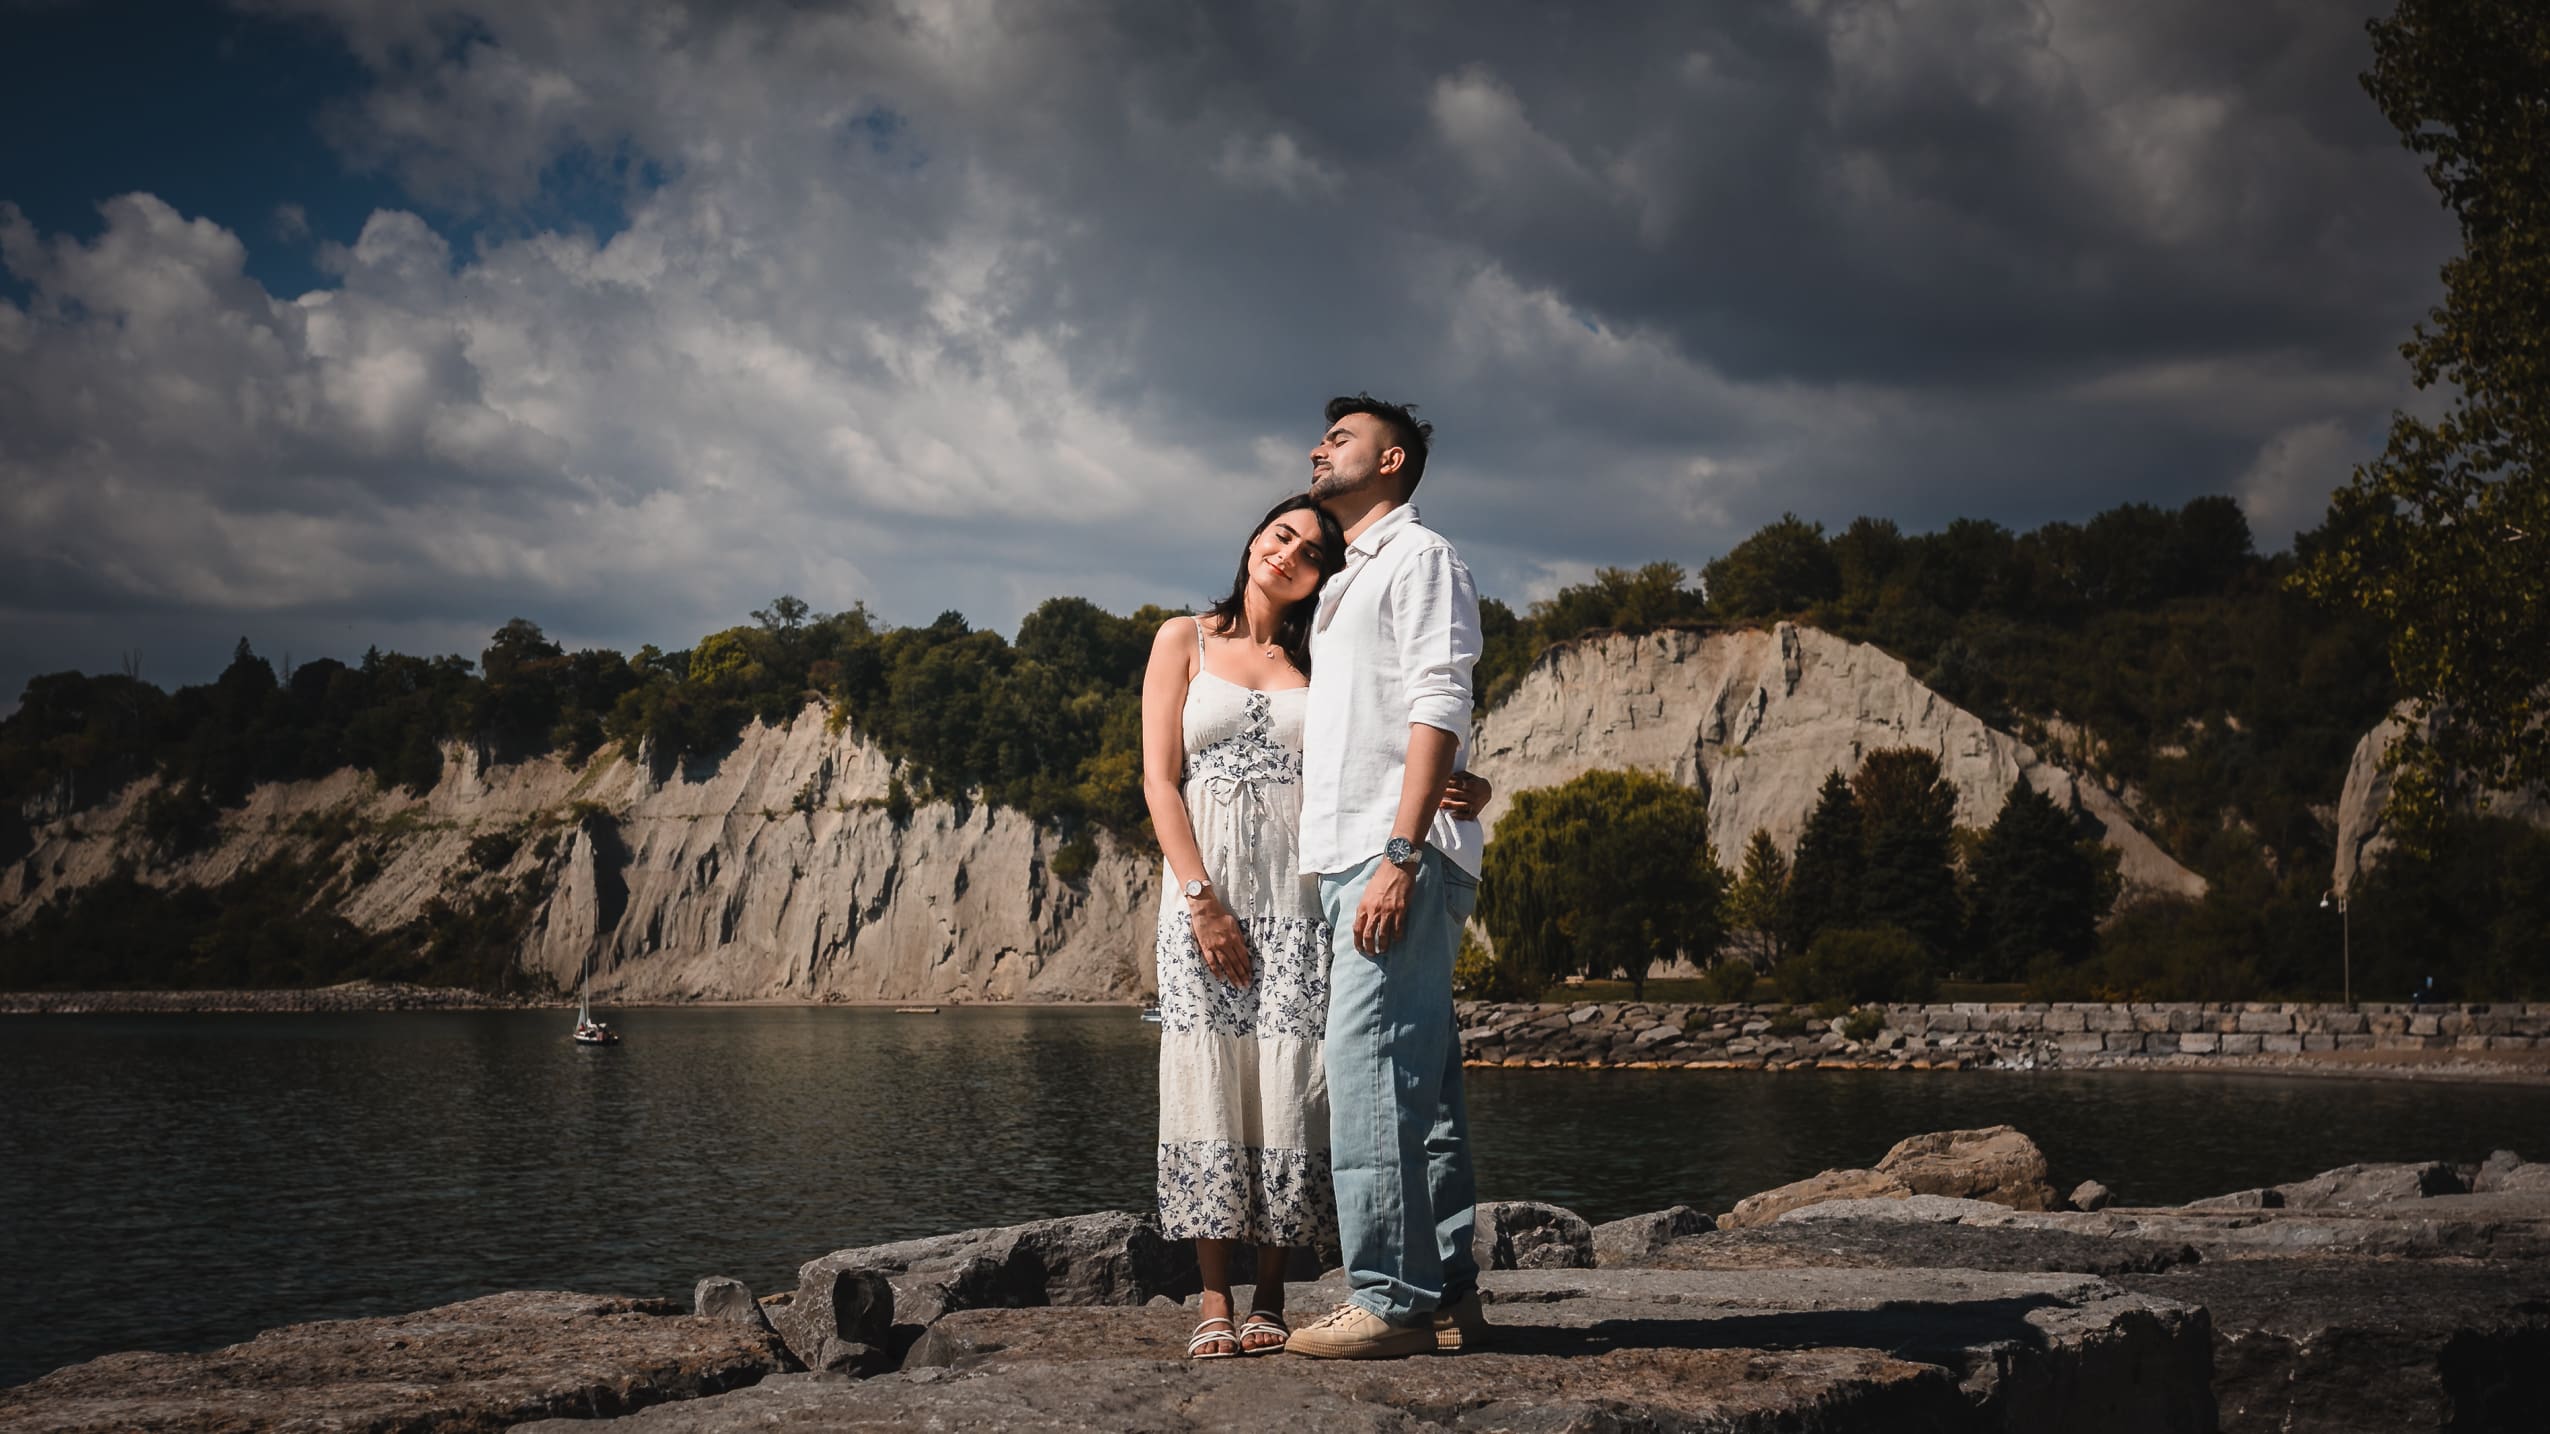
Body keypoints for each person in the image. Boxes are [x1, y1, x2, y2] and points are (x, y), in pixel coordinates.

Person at [1142, 492, 1489, 1360]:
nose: (1287, 551)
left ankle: (1271, 1296)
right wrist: (1201, 900)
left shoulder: (1325, 660)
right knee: (1206, 1076)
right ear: (1256, 535)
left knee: (1294, 1084)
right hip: (1204, 894)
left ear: (1321, 578)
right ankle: (1211, 1299)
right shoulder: (1182, 638)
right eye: (1280, 532)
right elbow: (1157, 781)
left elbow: (1390, 737)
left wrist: (1468, 787)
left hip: (1301, 898)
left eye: (1308, 549)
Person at [1284, 393, 1490, 1361]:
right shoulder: (1344, 581)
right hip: (1357, 853)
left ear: (1393, 461)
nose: (1319, 449)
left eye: (1342, 438)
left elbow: (1441, 697)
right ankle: (1447, 1291)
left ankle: (1391, 1298)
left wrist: (1401, 855)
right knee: (1423, 1085)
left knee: (1368, 1075)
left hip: (1388, 854)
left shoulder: (1420, 558)